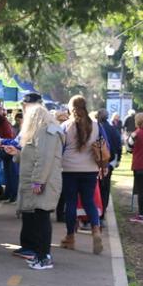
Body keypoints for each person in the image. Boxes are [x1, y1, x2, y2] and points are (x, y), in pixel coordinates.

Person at [5, 103, 64, 270]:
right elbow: (35, 156)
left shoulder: (46, 132)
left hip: (44, 183)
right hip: (43, 182)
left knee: (42, 219)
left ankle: (44, 257)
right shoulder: (44, 132)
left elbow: (44, 159)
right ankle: (40, 255)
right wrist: (17, 154)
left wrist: (38, 181)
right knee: (40, 219)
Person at [60, 95, 104, 255]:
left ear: (71, 108)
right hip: (90, 169)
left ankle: (70, 237)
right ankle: (96, 230)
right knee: (89, 201)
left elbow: (60, 147)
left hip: (69, 169)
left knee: (71, 202)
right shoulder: (96, 126)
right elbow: (104, 145)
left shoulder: (65, 126)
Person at [95, 109, 122, 227]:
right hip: (108, 161)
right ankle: (102, 214)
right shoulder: (112, 129)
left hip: (95, 162)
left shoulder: (95, 128)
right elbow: (118, 145)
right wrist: (118, 159)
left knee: (95, 189)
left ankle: (94, 214)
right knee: (105, 188)